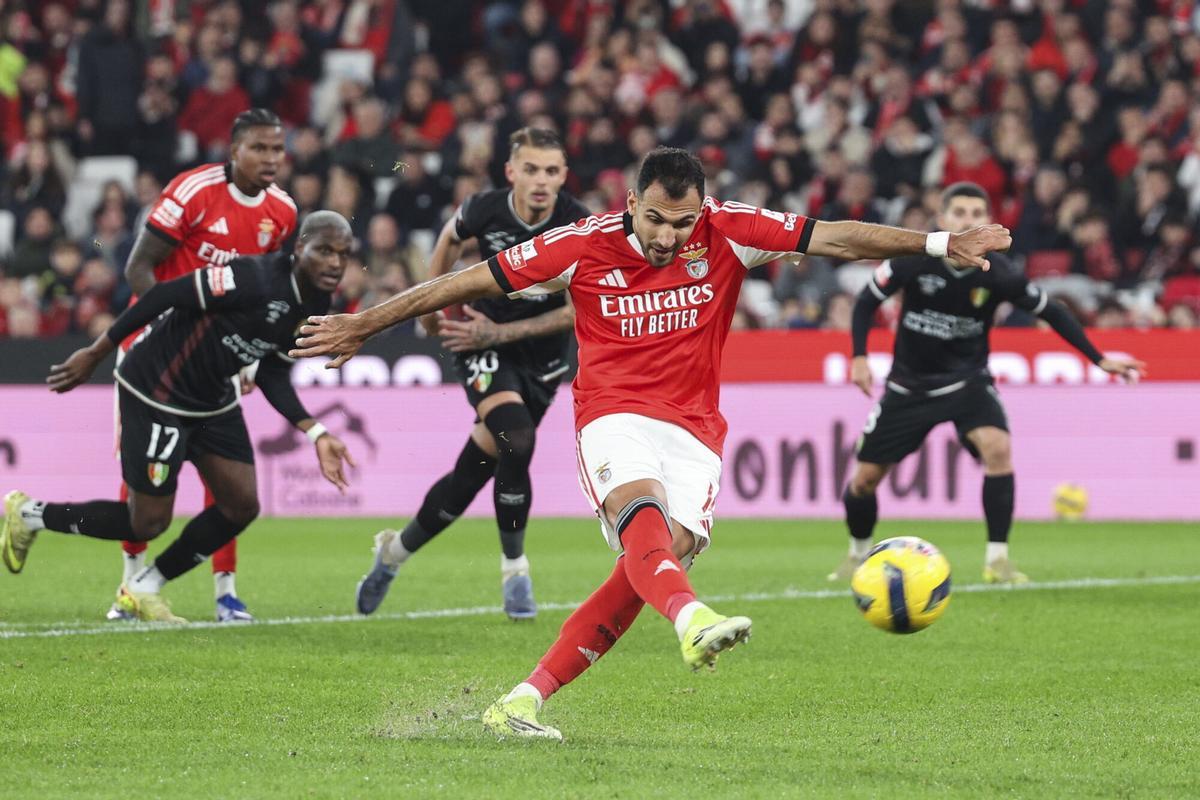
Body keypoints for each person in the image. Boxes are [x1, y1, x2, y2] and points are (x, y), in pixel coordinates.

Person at [289, 148, 1010, 741]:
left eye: (683, 222)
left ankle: (522, 700)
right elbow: (463, 281)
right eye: (658, 220)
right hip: (612, 413)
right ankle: (693, 618)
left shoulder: (728, 229)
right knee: (643, 522)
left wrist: (942, 244)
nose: (669, 237)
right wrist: (363, 324)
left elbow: (839, 237)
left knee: (651, 562)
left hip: (695, 430)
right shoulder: (581, 244)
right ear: (632, 203)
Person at [1, 213, 356, 623]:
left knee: (241, 505)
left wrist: (316, 432)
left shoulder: (316, 303)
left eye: (343, 254)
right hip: (157, 392)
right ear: (298, 250)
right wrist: (96, 353)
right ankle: (30, 514)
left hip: (213, 401)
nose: (335, 263)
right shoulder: (251, 277)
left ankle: (143, 587)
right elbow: (164, 294)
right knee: (147, 522)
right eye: (324, 251)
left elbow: (274, 371)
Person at [830, 183, 1145, 585]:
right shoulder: (912, 260)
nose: (968, 221)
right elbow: (866, 301)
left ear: (988, 223)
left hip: (968, 382)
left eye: (976, 213)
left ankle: (997, 560)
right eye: (959, 213)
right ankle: (859, 553)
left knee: (998, 448)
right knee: (864, 481)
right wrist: (859, 356)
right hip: (909, 387)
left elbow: (1051, 310)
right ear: (942, 220)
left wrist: (1099, 358)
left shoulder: (1000, 275)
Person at [355, 128, 590, 620]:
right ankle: (515, 571)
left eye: (551, 171)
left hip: (538, 359)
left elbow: (574, 313)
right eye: (531, 169)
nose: (541, 181)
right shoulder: (485, 208)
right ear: (512, 172)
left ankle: (393, 553)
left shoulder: (579, 225)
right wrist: (430, 306)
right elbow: (448, 238)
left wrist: (501, 336)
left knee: (472, 474)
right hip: (478, 342)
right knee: (518, 440)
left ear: (564, 176)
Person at [110, 108, 298, 623]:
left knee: (225, 475)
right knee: (143, 472)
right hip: (153, 346)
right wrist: (178, 328)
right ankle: (129, 587)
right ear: (234, 150)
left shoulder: (282, 213)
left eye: (278, 149)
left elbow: (270, 291)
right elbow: (137, 268)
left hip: (215, 355)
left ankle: (226, 592)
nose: (271, 159)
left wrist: (249, 349)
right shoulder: (192, 191)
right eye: (259, 148)